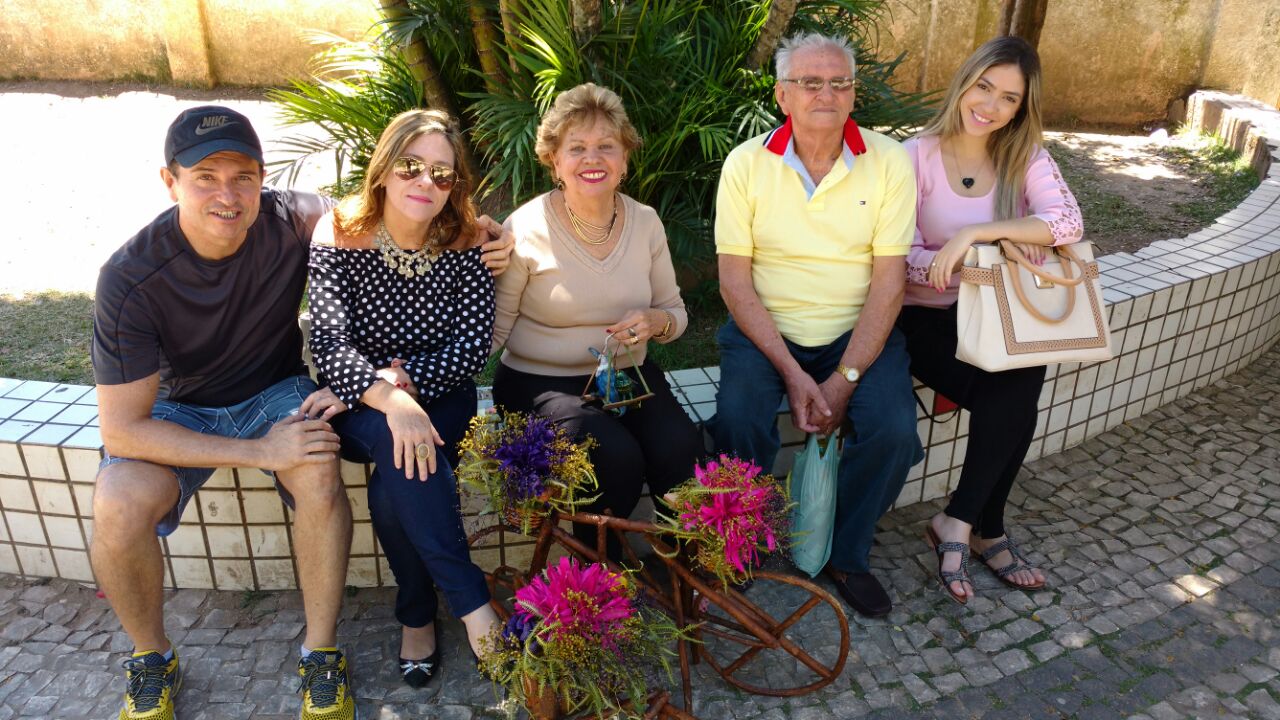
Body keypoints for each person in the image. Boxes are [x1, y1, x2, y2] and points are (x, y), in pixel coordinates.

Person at [91, 105, 512, 720]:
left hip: (273, 392)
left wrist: (489, 230)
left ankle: (323, 650)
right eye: (205, 177)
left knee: (327, 468)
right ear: (170, 181)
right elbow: (122, 429)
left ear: (262, 179)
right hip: (177, 408)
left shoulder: (295, 217)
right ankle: (151, 657)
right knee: (117, 502)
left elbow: (396, 208)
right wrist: (259, 451)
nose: (227, 195)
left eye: (243, 176)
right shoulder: (130, 278)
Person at [711, 32, 923, 618]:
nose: (825, 93)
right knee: (738, 418)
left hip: (856, 330)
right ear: (782, 95)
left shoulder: (889, 161)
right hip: (765, 331)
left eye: (838, 82)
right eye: (809, 82)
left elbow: (889, 284)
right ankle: (742, 542)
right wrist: (792, 371)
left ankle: (846, 553)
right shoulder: (746, 164)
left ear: (853, 93)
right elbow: (734, 283)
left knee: (893, 431)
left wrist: (843, 379)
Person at [308, 109, 500, 687]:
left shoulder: (466, 238)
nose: (425, 182)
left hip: (440, 393)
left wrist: (402, 383)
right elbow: (328, 342)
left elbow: (472, 347)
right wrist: (387, 399)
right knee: (404, 448)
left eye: (442, 173)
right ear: (385, 167)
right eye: (411, 166)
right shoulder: (339, 232)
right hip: (357, 400)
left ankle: (417, 614)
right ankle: (476, 611)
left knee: (397, 482)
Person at [900, 36, 1081, 603]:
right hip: (924, 316)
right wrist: (978, 256)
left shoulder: (1023, 155)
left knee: (1020, 376)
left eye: (1009, 98)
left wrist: (979, 234)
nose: (991, 106)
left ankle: (960, 522)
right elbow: (900, 258)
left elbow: (1066, 222)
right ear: (965, 82)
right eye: (984, 87)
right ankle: (984, 528)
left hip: (998, 312)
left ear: (1022, 108)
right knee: (1017, 391)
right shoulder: (914, 157)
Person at [492, 83, 702, 558]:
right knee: (613, 456)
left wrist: (655, 321)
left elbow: (676, 313)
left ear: (625, 159)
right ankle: (600, 572)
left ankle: (682, 561)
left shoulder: (646, 222)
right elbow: (495, 329)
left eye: (607, 146)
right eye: (577, 148)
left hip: (626, 377)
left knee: (678, 445)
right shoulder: (524, 228)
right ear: (554, 160)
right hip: (539, 384)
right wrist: (431, 371)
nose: (593, 159)